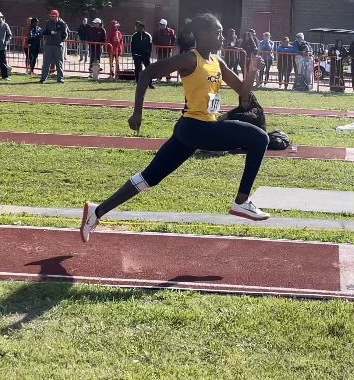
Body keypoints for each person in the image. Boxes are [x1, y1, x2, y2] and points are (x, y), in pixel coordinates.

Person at [78, 13, 272, 242]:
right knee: (260, 138)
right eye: (218, 33)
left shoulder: (218, 62)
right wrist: (137, 112)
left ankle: (96, 211)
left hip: (190, 131)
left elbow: (243, 93)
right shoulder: (189, 59)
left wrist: (252, 71)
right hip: (197, 128)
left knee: (149, 177)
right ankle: (242, 201)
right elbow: (147, 73)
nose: (222, 37)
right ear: (203, 34)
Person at [39, 10, 68, 84]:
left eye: (54, 16)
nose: (52, 17)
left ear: (57, 16)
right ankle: (43, 78)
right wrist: (50, 32)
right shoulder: (48, 23)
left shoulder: (62, 24)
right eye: (51, 16)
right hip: (48, 45)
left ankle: (60, 78)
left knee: (59, 63)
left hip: (58, 46)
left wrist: (61, 40)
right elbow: (43, 32)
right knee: (46, 63)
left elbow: (65, 34)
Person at [152, 19, 177, 83]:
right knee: (159, 64)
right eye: (160, 24)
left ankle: (168, 78)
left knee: (167, 65)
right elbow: (154, 40)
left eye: (161, 24)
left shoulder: (171, 31)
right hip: (160, 50)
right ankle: (159, 78)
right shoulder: (157, 32)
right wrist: (157, 45)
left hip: (167, 51)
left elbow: (174, 39)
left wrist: (171, 46)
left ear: (165, 25)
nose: (160, 25)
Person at [130, 21, 153, 86]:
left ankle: (149, 83)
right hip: (137, 55)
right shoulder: (134, 36)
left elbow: (150, 46)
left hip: (145, 55)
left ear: (142, 27)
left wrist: (148, 55)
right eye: (136, 27)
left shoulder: (148, 36)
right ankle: (138, 82)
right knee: (137, 69)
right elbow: (132, 46)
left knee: (148, 69)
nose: (136, 28)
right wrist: (134, 54)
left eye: (138, 27)